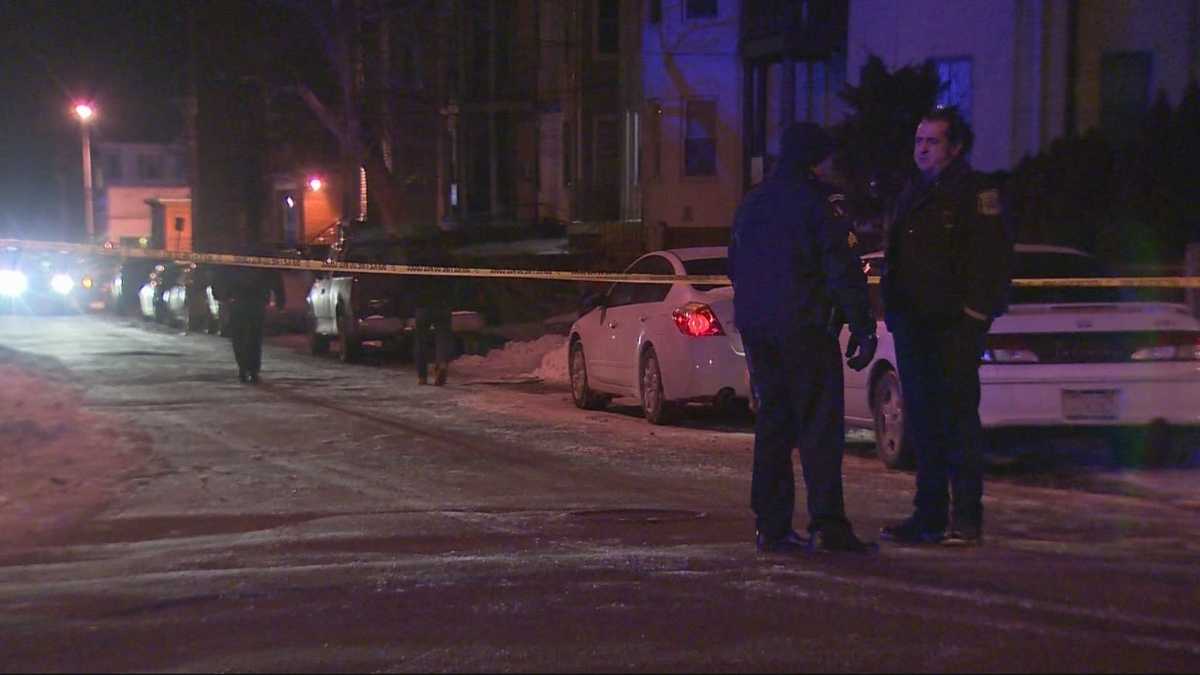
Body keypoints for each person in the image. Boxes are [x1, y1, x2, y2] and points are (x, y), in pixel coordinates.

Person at [729, 122, 879, 555]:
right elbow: (841, 268)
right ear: (816, 160)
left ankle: (771, 526)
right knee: (818, 427)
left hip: (759, 329)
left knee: (773, 425)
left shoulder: (753, 202)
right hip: (805, 328)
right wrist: (862, 326)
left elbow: (734, 265)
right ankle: (828, 524)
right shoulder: (819, 203)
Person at [879, 106, 1013, 546]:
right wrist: (895, 311)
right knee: (923, 422)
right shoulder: (913, 191)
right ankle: (929, 515)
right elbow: (898, 255)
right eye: (919, 140)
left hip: (953, 327)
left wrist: (974, 318)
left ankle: (966, 519)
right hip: (914, 326)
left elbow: (991, 260)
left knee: (957, 422)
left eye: (932, 141)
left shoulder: (974, 193)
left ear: (954, 148)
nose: (922, 149)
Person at [212, 245, 287, 384]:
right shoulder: (261, 251)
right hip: (253, 299)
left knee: (241, 336)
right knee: (253, 336)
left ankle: (245, 368)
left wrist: (221, 294)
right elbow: (274, 275)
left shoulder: (233, 251)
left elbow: (220, 274)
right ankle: (251, 369)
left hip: (241, 299)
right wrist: (280, 299)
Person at [409, 234, 455, 386]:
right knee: (443, 337)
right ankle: (442, 363)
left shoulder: (417, 259)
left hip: (423, 305)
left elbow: (409, 283)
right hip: (442, 303)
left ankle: (422, 376)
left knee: (421, 340)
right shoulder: (447, 258)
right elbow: (454, 281)